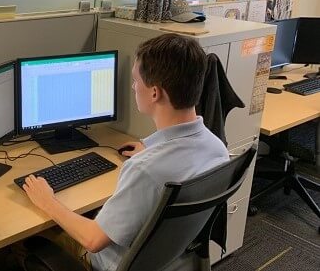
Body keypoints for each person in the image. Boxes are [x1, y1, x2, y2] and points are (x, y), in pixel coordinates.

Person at [22, 33, 230, 271]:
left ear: (154, 93)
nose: (133, 87)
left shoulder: (146, 169)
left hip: (109, 262)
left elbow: (93, 240)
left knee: (25, 243)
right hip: (174, 261)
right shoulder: (217, 149)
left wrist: (47, 201)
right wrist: (153, 149)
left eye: (135, 81)